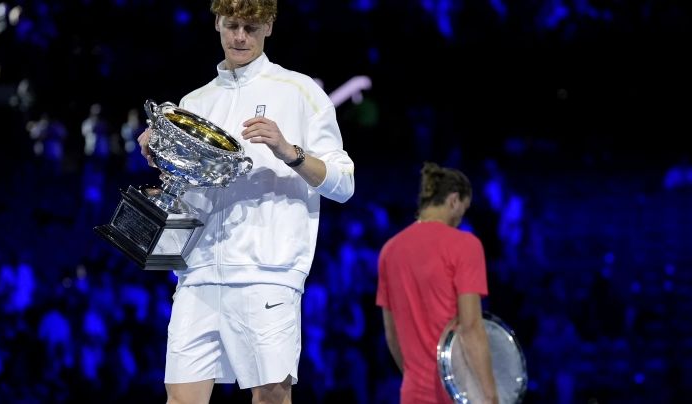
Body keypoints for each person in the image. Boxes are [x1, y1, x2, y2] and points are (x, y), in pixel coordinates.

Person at [137, 1, 355, 403]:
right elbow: (186, 195)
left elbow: (344, 184)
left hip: (267, 275)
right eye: (232, 25)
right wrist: (160, 158)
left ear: (269, 26)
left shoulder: (300, 92)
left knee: (271, 397)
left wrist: (289, 151)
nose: (240, 37)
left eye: (251, 27)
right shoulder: (195, 102)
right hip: (197, 276)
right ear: (217, 23)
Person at [376, 162, 497, 404]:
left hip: (411, 394)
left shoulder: (389, 250)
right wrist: (491, 396)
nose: (462, 218)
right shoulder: (466, 245)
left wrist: (416, 377)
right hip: (456, 395)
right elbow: (470, 327)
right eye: (464, 208)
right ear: (453, 200)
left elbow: (392, 336)